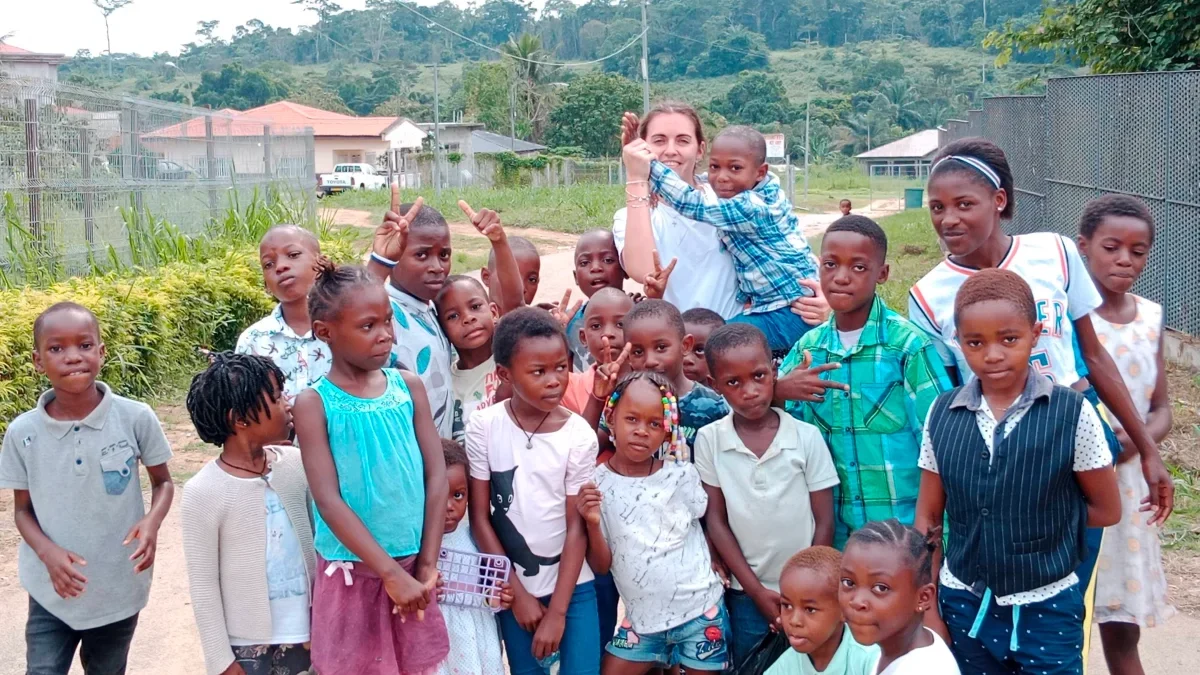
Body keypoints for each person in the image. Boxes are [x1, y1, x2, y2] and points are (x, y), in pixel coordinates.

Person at [907, 138, 1172, 522]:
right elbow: (948, 397)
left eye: (964, 204)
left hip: (1075, 424)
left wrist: (1148, 448)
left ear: (998, 200)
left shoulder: (1055, 252)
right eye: (937, 207)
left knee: (1078, 557)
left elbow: (1093, 356)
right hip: (998, 446)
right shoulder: (928, 295)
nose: (949, 219)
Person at [914, 269, 1120, 675]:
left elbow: (1107, 509)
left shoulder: (1072, 412)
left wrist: (1038, 527)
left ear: (1036, 333)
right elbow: (929, 516)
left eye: (1009, 339)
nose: (992, 355)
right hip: (963, 602)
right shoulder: (942, 414)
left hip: (1048, 604)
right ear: (958, 342)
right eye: (975, 342)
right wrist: (930, 604)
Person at [292, 260, 450, 675]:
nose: (385, 335)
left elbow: (436, 478)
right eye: (368, 326)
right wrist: (387, 573)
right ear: (325, 332)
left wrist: (427, 563)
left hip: (413, 567)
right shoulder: (314, 404)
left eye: (388, 321)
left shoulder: (408, 388)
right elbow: (327, 500)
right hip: (354, 574)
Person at [0, 302, 174, 675]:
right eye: (56, 348)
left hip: (117, 587)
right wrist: (47, 553)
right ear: (37, 360)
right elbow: (21, 511)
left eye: (84, 344)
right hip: (52, 589)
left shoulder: (135, 417)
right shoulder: (22, 433)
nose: (72, 357)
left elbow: (163, 483)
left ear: (101, 351)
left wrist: (151, 522)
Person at [779, 216, 952, 548]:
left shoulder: (907, 347)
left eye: (858, 268)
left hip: (901, 535)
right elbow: (770, 418)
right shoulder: (808, 350)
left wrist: (930, 540)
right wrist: (778, 392)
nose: (841, 277)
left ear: (882, 274)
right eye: (830, 264)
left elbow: (939, 445)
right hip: (835, 536)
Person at [466, 307, 602, 675]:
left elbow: (577, 528)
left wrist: (558, 613)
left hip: (572, 588)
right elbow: (480, 519)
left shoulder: (578, 436)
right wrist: (518, 596)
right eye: (538, 372)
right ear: (504, 375)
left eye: (561, 367)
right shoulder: (484, 426)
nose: (555, 380)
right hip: (514, 589)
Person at [695, 323, 839, 665]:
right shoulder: (710, 441)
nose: (750, 390)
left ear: (774, 371)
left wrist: (807, 589)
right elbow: (715, 521)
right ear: (715, 386)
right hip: (748, 594)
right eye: (734, 382)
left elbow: (824, 521)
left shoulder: (805, 437)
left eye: (759, 376)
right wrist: (757, 590)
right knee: (753, 664)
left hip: (808, 594)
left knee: (814, 665)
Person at [1076, 195, 1175, 674]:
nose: (1124, 260)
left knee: (1121, 633)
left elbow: (1161, 409)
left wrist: (1130, 444)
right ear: (1084, 247)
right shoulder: (1072, 321)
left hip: (1130, 491)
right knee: (1062, 629)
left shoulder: (1151, 318)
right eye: (1112, 247)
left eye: (1138, 252)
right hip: (1074, 489)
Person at [578, 371, 731, 674]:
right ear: (611, 418)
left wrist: (715, 557)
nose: (641, 431)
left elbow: (705, 521)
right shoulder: (598, 485)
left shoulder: (681, 475)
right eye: (631, 419)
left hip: (701, 611)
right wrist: (593, 524)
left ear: (668, 431)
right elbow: (600, 565)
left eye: (654, 424)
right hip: (642, 622)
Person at [625, 125, 821, 354]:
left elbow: (691, 202)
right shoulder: (753, 188)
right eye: (715, 167)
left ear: (760, 172)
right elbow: (701, 182)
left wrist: (646, 164)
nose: (722, 177)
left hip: (789, 312)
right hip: (773, 306)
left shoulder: (752, 207)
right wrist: (638, 161)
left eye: (735, 168)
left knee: (716, 342)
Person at [181, 352, 315, 675]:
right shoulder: (203, 492)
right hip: (247, 648)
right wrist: (221, 660)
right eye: (276, 397)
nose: (287, 402)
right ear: (239, 420)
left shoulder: (296, 464)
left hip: (308, 635)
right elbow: (203, 586)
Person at [368, 191, 524, 439]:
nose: (437, 267)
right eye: (421, 255)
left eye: (444, 255)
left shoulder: (431, 308)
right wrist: (380, 261)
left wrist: (499, 241)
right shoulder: (383, 309)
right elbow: (358, 312)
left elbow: (514, 305)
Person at [612, 103, 742, 320]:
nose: (671, 150)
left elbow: (779, 240)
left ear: (700, 150)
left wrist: (817, 295)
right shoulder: (630, 216)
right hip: (675, 346)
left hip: (731, 342)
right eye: (659, 140)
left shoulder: (725, 201)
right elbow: (644, 271)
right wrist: (636, 177)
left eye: (682, 140)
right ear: (643, 148)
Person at [839, 520, 959, 675]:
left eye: (880, 588)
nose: (857, 601)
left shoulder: (925, 669)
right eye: (848, 582)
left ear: (923, 597)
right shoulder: (896, 646)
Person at [438, 438, 513, 675]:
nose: (449, 506)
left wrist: (497, 597)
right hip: (439, 633)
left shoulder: (474, 536)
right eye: (438, 495)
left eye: (458, 495)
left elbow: (485, 591)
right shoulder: (416, 544)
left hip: (477, 630)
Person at [235, 224, 329, 404]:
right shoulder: (253, 341)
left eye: (293, 255)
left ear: (321, 261)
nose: (280, 267)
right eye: (268, 264)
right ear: (265, 284)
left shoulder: (344, 326)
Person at [625, 299, 729, 456]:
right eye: (638, 352)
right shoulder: (625, 400)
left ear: (685, 345)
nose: (650, 361)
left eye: (661, 347)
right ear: (628, 356)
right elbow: (590, 445)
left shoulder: (712, 405)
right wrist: (598, 398)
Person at [766, 546, 878, 675]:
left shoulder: (871, 661)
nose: (794, 621)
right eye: (787, 606)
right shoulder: (784, 667)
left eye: (810, 609)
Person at [436, 276, 505, 439]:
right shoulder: (445, 384)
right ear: (441, 329)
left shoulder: (512, 361)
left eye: (475, 307)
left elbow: (514, 300)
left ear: (493, 312)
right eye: (453, 316)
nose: (468, 318)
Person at [560, 230, 629, 372]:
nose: (596, 268)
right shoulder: (569, 322)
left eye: (608, 260)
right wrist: (554, 331)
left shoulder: (637, 314)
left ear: (625, 268)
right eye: (585, 262)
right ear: (575, 277)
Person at [562, 288, 634, 417]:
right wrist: (551, 334)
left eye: (620, 324)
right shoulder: (570, 387)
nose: (608, 333)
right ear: (583, 338)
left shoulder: (653, 381)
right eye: (596, 326)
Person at [481, 235, 542, 308]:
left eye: (532, 279)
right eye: (509, 277)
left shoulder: (542, 318)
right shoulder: (471, 318)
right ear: (486, 277)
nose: (521, 288)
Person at [682, 308, 725, 386]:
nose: (687, 359)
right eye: (682, 348)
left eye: (700, 350)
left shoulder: (729, 395)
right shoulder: (660, 392)